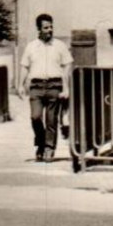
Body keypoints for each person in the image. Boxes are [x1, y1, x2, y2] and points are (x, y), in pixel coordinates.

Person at [19, 13, 73, 162]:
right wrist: (20, 84)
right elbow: (24, 66)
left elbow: (67, 64)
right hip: (36, 86)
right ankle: (41, 144)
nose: (50, 30)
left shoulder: (59, 46)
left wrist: (66, 87)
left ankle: (49, 148)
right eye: (46, 27)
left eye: (51, 27)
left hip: (54, 85)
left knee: (51, 120)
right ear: (39, 29)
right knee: (35, 117)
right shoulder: (31, 46)